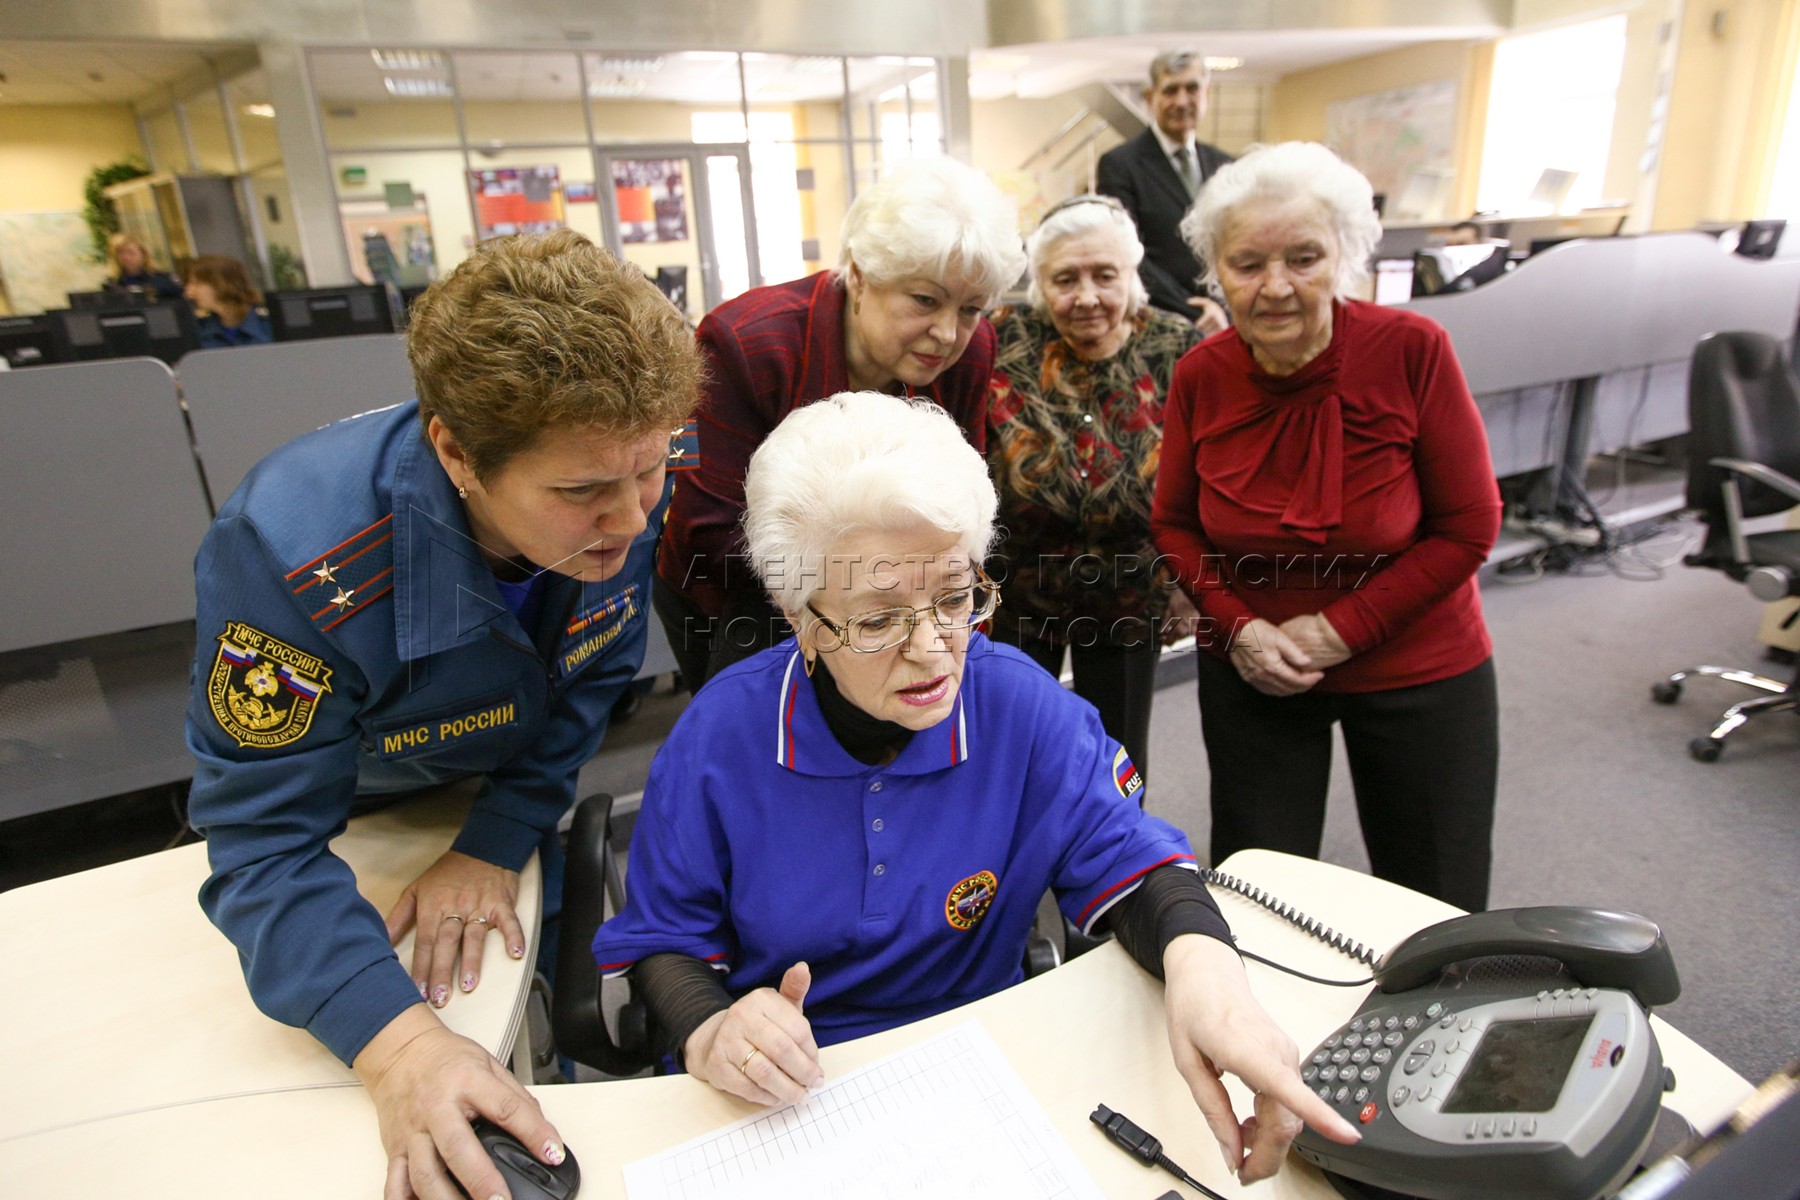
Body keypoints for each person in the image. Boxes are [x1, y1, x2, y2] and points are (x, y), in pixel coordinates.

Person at [595, 393, 1361, 1184]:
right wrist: (710, 1026)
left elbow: (1133, 864)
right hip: (784, 1096)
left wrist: (1211, 975)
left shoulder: (1017, 705)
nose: (933, 652)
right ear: (803, 620)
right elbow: (664, 939)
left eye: (956, 598)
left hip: (981, 1068)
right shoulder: (723, 735)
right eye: (879, 620)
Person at [184, 229, 701, 1199]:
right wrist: (399, 1051)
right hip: (355, 805)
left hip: (494, 787)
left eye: (651, 469)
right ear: (457, 454)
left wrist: (495, 839)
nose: (634, 521)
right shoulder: (291, 552)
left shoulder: (612, 476)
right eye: (587, 491)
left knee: (528, 1008)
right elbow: (259, 841)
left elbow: (592, 679)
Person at [1151, 142, 1504, 912]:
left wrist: (1341, 629)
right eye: (1247, 264)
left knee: (1434, 894)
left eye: (1304, 258)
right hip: (1255, 666)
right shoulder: (1201, 373)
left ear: (1343, 256)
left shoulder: (1413, 350)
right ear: (1217, 271)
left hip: (1420, 661)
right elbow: (1175, 524)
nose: (1275, 286)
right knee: (1259, 892)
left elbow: (1470, 526)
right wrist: (1239, 629)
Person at [654, 156, 1027, 691]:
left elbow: (966, 501)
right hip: (736, 594)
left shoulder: (972, 354)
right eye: (925, 300)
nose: (947, 333)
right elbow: (708, 531)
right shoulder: (747, 344)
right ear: (858, 273)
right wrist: (870, 594)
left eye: (971, 309)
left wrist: (917, 605)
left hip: (892, 600)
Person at [984, 194, 1202, 777]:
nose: (1086, 297)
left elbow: (1206, 474)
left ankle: (1120, 865)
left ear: (1132, 275)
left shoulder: (1178, 349)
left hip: (1132, 593)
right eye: (1064, 278)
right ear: (1040, 282)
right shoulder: (1000, 340)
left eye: (1105, 276)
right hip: (1018, 594)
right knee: (1013, 751)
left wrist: (1192, 583)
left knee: (1119, 755)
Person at [1096, 49, 1233, 335]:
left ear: (1207, 92)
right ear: (1150, 98)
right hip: (1158, 322)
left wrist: (1222, 306)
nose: (1182, 101)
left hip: (1224, 318)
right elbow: (1125, 250)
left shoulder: (1225, 164)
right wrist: (1192, 309)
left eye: (1192, 88)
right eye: (1170, 90)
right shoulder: (1120, 165)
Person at [185, 255, 273, 348]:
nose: (189, 292)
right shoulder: (198, 331)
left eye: (196, 283)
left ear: (222, 283)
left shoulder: (270, 325)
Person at [104, 231, 184, 300]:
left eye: (130, 252)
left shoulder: (164, 279)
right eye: (121, 253)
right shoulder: (113, 285)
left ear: (144, 255)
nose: (126, 258)